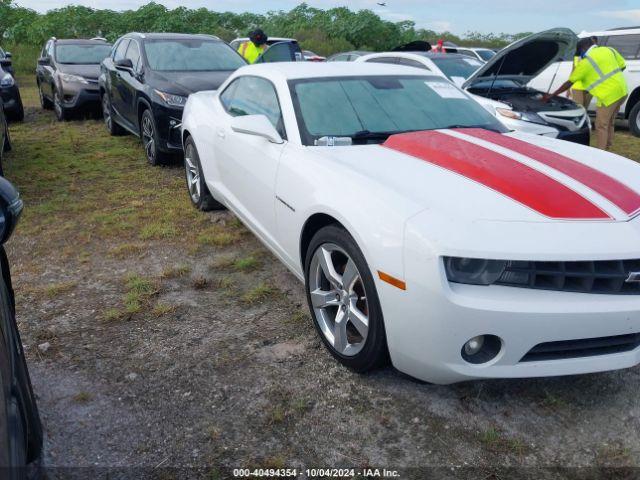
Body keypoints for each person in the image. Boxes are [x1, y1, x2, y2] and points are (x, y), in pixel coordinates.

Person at [543, 37, 627, 150]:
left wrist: (552, 95)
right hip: (623, 90)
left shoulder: (586, 62)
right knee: (610, 121)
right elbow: (622, 66)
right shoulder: (608, 50)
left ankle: (600, 152)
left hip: (608, 95)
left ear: (583, 48)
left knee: (601, 125)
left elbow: (569, 82)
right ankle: (608, 144)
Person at [569, 36, 597, 109]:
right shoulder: (577, 56)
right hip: (578, 86)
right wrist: (568, 87)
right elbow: (573, 71)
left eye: (594, 43)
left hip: (590, 87)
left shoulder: (595, 55)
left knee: (585, 109)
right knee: (578, 108)